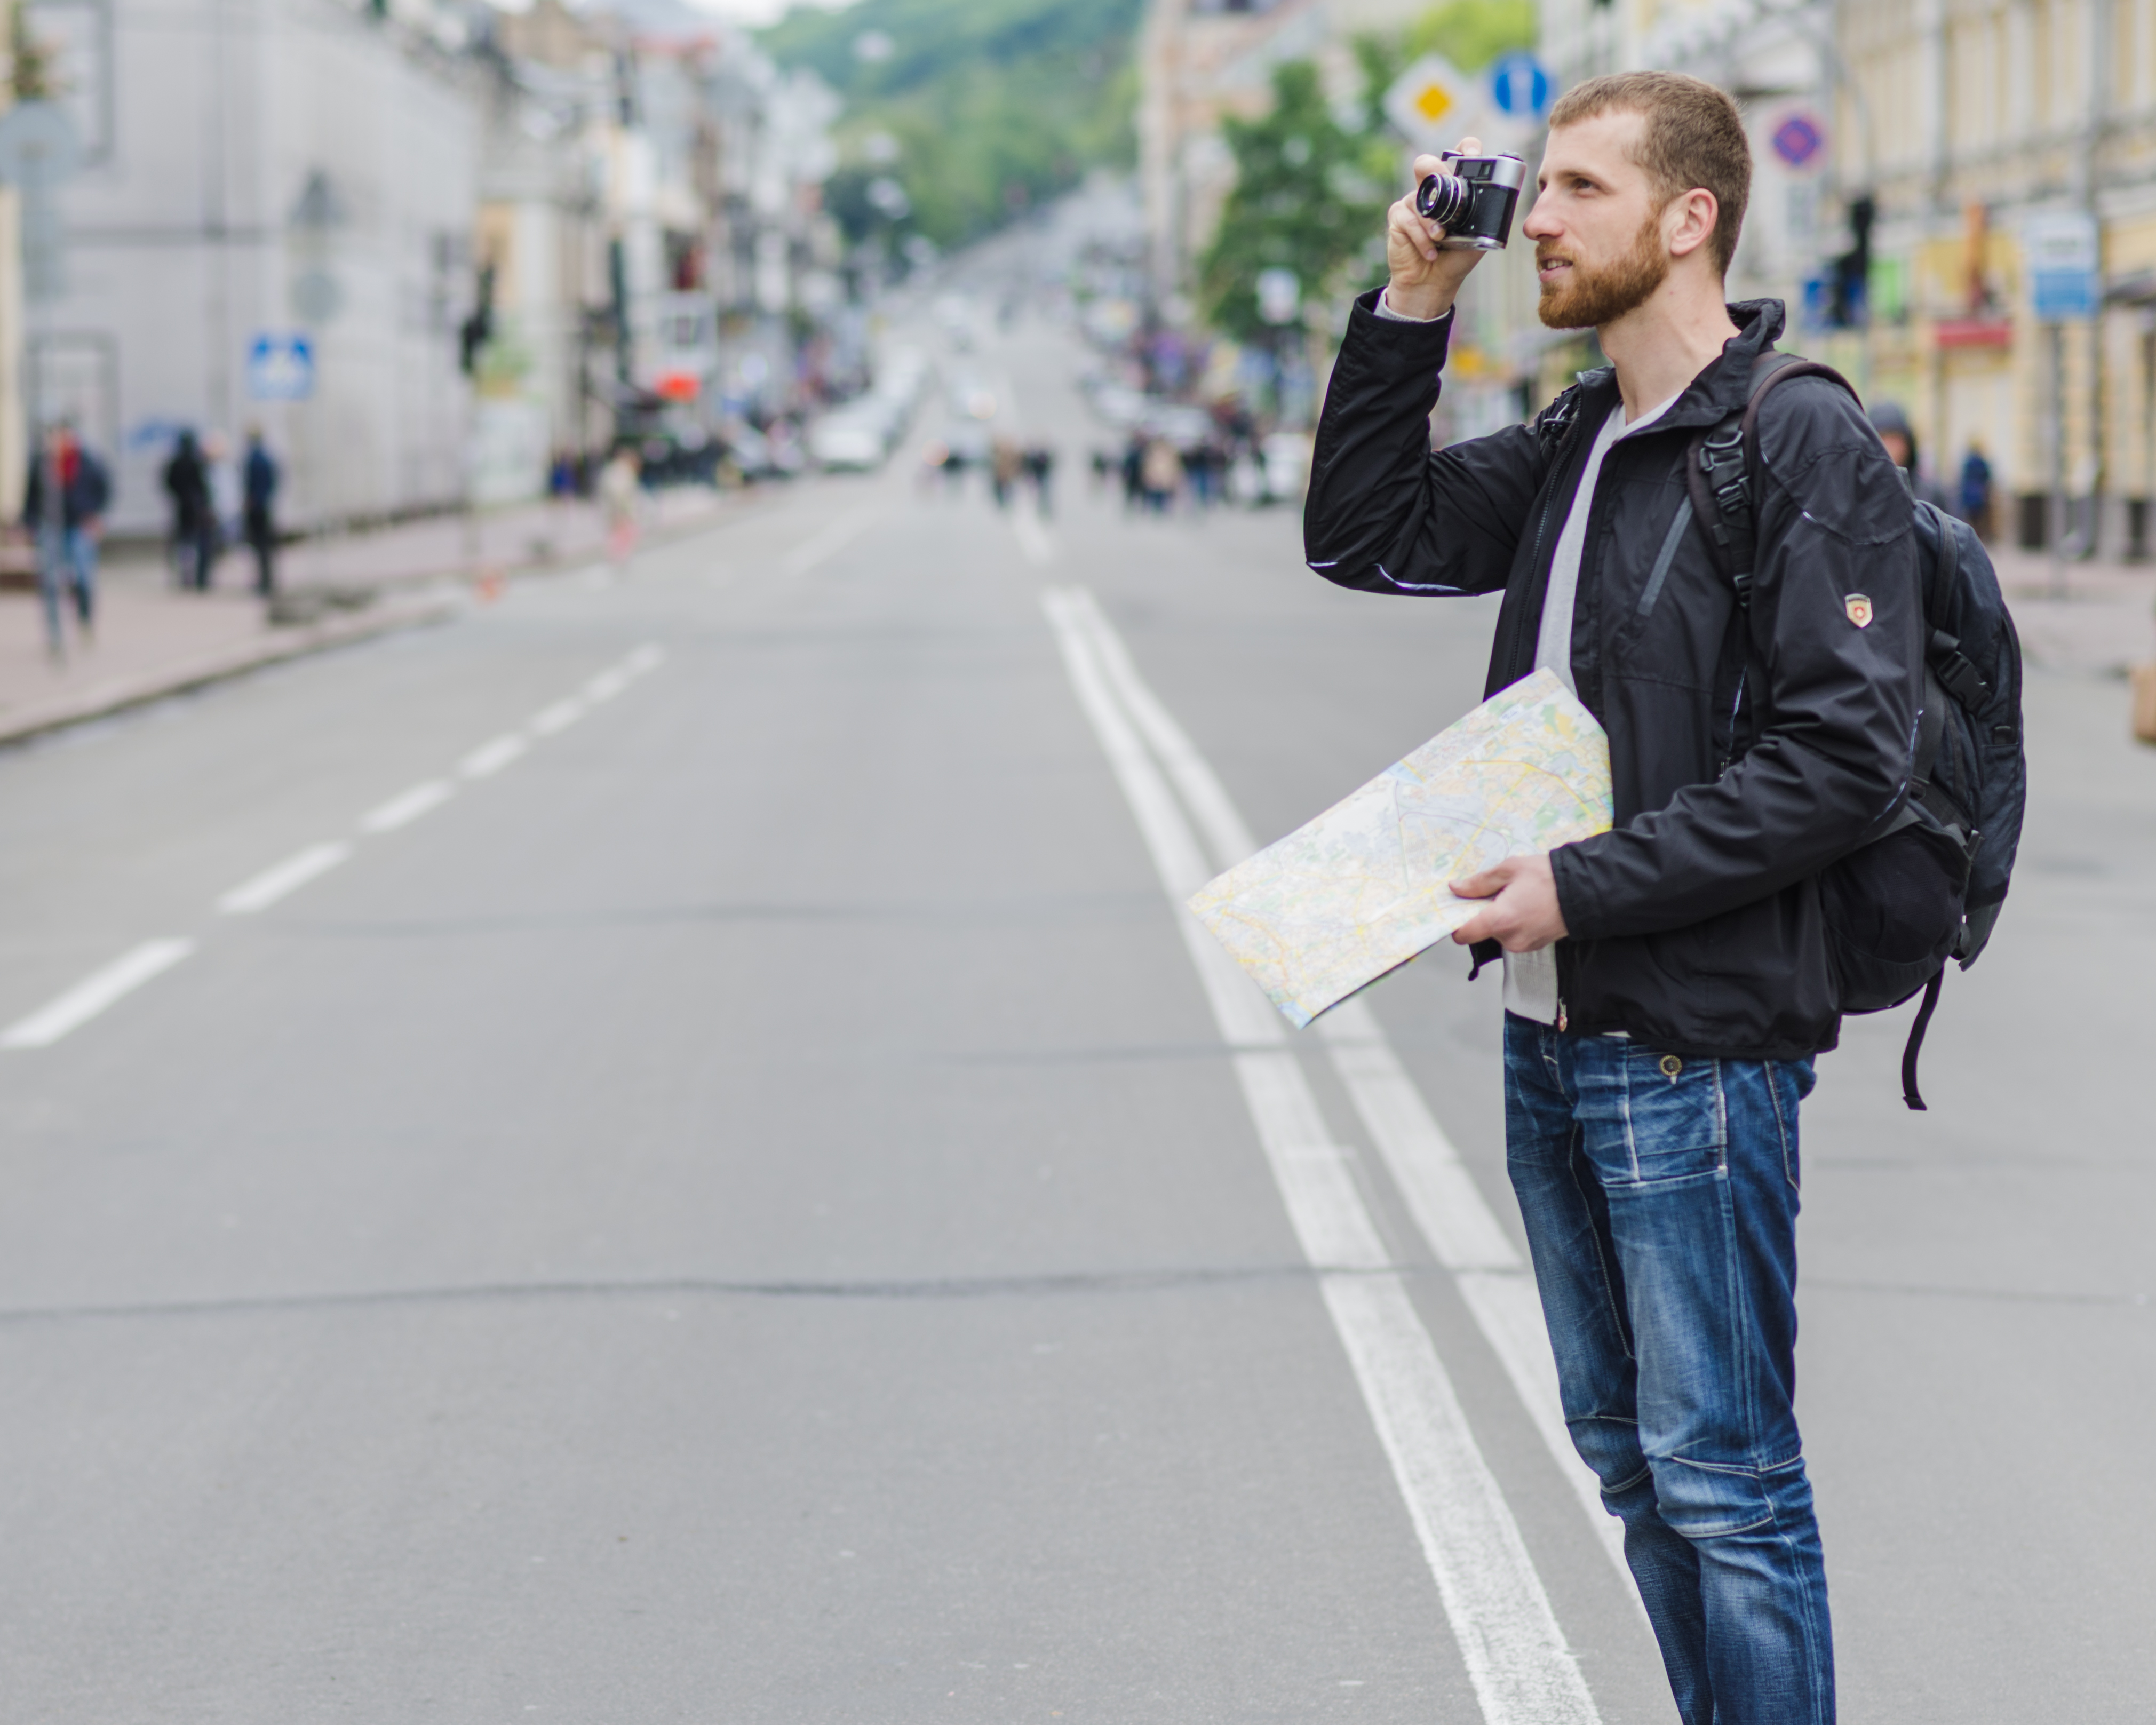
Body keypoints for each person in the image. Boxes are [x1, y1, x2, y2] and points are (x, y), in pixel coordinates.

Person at [1304, 71, 1925, 1725]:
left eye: (1579, 189)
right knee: (1634, 1470)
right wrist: (1413, 307)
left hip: (1696, 1052)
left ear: (1690, 216)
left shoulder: (1792, 435)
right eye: (1543, 187)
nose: (1542, 223)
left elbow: (1840, 762)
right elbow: (1371, 538)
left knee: (1724, 1482)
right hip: (1552, 1034)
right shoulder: (1588, 437)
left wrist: (1576, 886)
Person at [22, 421, 109, 656]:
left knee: (83, 578)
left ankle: (84, 620)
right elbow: (31, 497)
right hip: (50, 527)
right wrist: (29, 524)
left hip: (79, 526)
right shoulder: (42, 463)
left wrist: (94, 516)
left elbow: (104, 489)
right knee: (50, 583)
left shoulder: (87, 461)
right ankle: (54, 635)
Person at [1867, 400, 1953, 512]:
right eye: (1881, 438)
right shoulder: (1858, 497)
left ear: (1908, 443)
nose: (1888, 448)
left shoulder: (1930, 495)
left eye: (1895, 439)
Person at [162, 430, 216, 589]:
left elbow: (169, 483)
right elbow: (205, 487)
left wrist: (179, 496)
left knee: (185, 544)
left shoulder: (176, 463)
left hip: (183, 509)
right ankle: (198, 577)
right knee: (199, 543)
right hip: (197, 509)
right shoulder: (197, 462)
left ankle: (186, 576)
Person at [242, 427, 280, 596]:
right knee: (266, 547)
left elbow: (250, 485)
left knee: (260, 547)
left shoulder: (254, 460)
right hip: (264, 506)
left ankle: (264, 582)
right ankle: (268, 581)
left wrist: (252, 501)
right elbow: (274, 481)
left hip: (257, 508)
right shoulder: (266, 458)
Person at [597, 444, 642, 569]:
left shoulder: (616, 470)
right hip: (622, 511)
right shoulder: (622, 471)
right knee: (624, 534)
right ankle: (618, 559)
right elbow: (618, 493)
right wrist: (620, 512)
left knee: (621, 534)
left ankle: (618, 558)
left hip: (619, 510)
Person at [1959, 441, 1995, 540]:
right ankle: (1978, 538)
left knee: (1971, 518)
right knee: (1979, 519)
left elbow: (1963, 479)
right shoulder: (1982, 462)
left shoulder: (1968, 462)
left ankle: (1972, 537)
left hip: (1969, 495)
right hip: (1980, 495)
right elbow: (1988, 478)